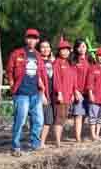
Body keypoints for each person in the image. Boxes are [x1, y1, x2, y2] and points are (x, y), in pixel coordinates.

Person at [5, 28, 48, 156]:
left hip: (35, 93)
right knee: (20, 120)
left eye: (34, 38)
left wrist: (43, 91)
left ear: (37, 40)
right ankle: (15, 146)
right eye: (29, 37)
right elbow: (9, 70)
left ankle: (35, 144)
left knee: (39, 120)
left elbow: (40, 74)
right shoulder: (17, 54)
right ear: (25, 39)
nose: (32, 40)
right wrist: (12, 84)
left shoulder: (38, 56)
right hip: (21, 93)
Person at [52, 39, 77, 148]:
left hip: (68, 95)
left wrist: (72, 93)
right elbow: (56, 79)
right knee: (59, 117)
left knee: (63, 117)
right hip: (60, 95)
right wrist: (59, 93)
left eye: (67, 50)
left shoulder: (69, 63)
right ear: (59, 51)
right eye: (63, 50)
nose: (65, 52)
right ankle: (57, 141)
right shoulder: (57, 63)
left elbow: (73, 79)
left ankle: (59, 139)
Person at [86, 48, 101, 141]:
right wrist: (90, 93)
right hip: (95, 96)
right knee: (93, 116)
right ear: (96, 56)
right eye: (100, 55)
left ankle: (97, 133)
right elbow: (90, 82)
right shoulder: (93, 68)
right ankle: (92, 135)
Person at [71, 39, 90, 143]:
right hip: (79, 91)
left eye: (84, 46)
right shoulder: (74, 61)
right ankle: (77, 138)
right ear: (76, 48)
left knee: (84, 115)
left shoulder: (90, 59)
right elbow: (72, 77)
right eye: (79, 46)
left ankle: (80, 134)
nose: (82, 48)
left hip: (88, 92)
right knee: (78, 114)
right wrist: (75, 91)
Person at [39, 39, 55, 148]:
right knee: (39, 120)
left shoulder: (52, 62)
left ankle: (42, 142)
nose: (46, 49)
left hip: (51, 95)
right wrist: (42, 94)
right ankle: (36, 141)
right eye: (43, 47)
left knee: (48, 120)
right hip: (41, 95)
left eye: (48, 47)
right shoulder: (37, 62)